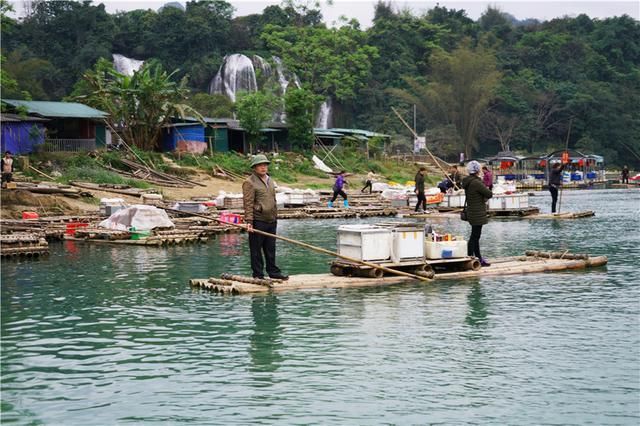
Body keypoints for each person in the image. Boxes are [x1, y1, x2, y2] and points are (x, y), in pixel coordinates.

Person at [242, 154, 288, 281]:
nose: (263, 167)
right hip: (258, 220)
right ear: (255, 168)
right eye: (260, 165)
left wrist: (275, 215)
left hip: (271, 219)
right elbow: (248, 203)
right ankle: (258, 274)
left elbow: (273, 199)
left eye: (265, 165)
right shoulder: (249, 182)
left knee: (270, 248)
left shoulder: (270, 180)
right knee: (256, 250)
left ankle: (273, 272)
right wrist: (249, 222)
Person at [462, 160, 493, 267]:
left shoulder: (468, 181)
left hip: (472, 211)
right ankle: (475, 257)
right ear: (477, 170)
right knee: (475, 236)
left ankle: (474, 256)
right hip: (477, 212)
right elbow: (489, 194)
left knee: (474, 236)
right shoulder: (476, 182)